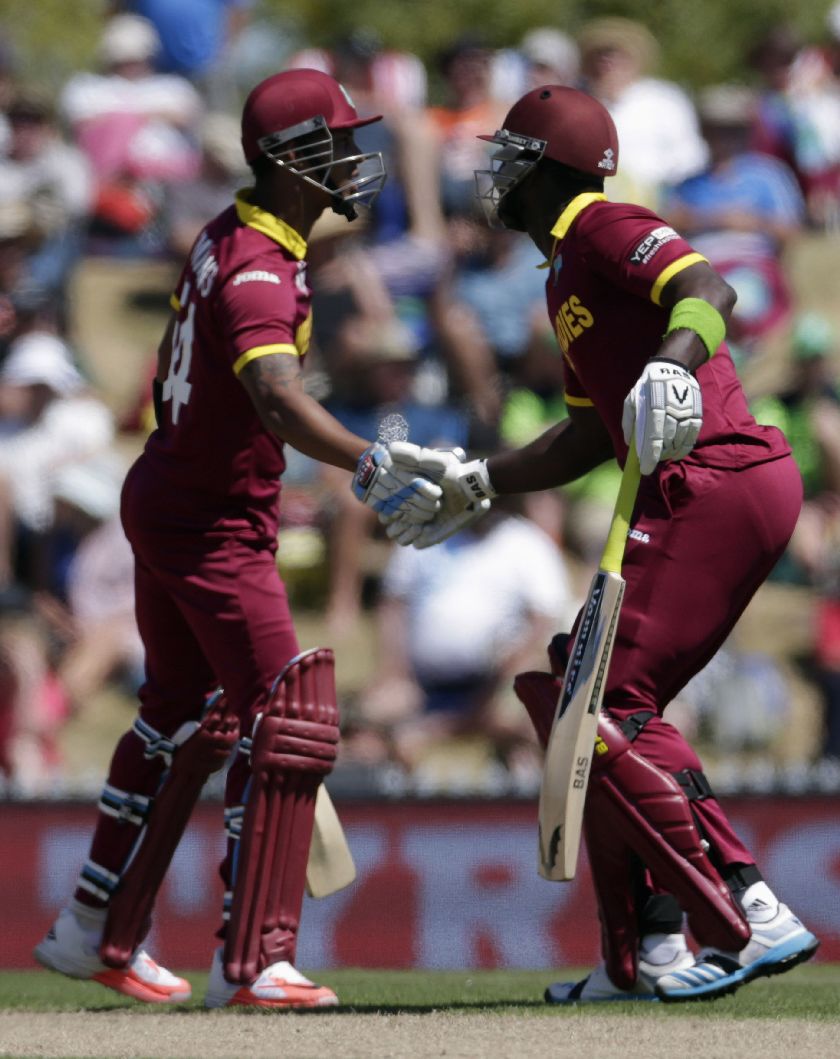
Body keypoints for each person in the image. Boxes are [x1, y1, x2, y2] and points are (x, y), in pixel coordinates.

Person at [383, 84, 819, 1003]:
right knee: (576, 691)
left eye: (513, 158)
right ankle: (644, 952)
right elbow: (586, 435)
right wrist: (479, 479)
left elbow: (709, 289)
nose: (497, 176)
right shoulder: (560, 275)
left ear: (553, 170)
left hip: (717, 478)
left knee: (606, 700)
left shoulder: (600, 224)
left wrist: (672, 362)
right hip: (701, 484)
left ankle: (747, 906)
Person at [33, 67, 443, 1009]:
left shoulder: (235, 232)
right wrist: (373, 463)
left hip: (174, 496)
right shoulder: (259, 265)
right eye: (336, 143)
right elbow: (276, 397)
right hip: (210, 521)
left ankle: (96, 926)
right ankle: (255, 959)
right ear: (290, 159)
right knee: (285, 720)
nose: (352, 158)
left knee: (182, 716)